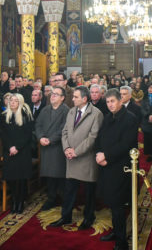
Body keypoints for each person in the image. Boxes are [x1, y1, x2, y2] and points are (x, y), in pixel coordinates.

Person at [50, 86, 103, 229]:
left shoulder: (96, 114)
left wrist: (76, 151)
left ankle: (89, 217)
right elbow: (65, 132)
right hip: (71, 157)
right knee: (69, 191)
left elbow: (93, 137)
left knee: (89, 192)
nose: (72, 99)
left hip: (86, 158)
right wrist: (66, 148)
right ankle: (65, 217)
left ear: (84, 99)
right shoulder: (72, 111)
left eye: (75, 97)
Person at [95, 89, 138, 250]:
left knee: (118, 203)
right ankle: (116, 231)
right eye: (107, 102)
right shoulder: (108, 117)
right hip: (106, 164)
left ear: (120, 101)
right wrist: (99, 153)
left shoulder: (130, 118)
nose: (110, 105)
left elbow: (126, 144)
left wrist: (106, 156)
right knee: (111, 202)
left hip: (120, 166)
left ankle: (121, 242)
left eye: (113, 101)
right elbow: (99, 138)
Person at [35, 86, 69, 210]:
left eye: (56, 94)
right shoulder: (45, 109)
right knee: (49, 175)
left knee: (59, 174)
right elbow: (38, 125)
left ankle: (63, 199)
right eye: (52, 93)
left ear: (62, 98)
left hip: (58, 146)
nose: (53, 96)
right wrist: (40, 137)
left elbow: (64, 129)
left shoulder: (66, 110)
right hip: (45, 146)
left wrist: (50, 140)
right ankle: (51, 198)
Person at [0, 93, 34, 214]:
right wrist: (10, 147)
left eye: (15, 100)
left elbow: (27, 134)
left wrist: (17, 147)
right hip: (9, 151)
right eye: (11, 100)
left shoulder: (26, 115)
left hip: (22, 150)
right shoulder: (4, 115)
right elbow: (3, 134)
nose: (12, 102)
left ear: (20, 102)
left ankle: (20, 201)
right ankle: (14, 200)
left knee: (20, 178)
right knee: (11, 178)